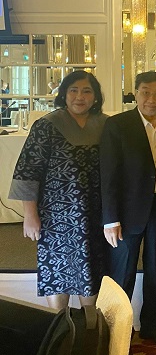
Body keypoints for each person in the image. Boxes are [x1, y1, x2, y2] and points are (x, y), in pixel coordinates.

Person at [9, 71, 108, 309]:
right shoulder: (46, 126)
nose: (79, 97)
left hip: (96, 213)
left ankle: (89, 324)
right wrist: (30, 215)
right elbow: (27, 172)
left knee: (93, 269)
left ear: (95, 97)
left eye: (87, 91)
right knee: (57, 270)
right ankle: (58, 324)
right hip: (56, 216)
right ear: (63, 94)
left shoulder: (106, 125)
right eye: (73, 90)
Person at [100, 71, 156, 348]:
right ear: (135, 93)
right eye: (145, 92)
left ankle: (152, 326)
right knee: (123, 273)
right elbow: (108, 174)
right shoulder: (118, 125)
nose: (151, 99)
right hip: (127, 211)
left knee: (155, 268)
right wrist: (110, 219)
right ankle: (117, 336)